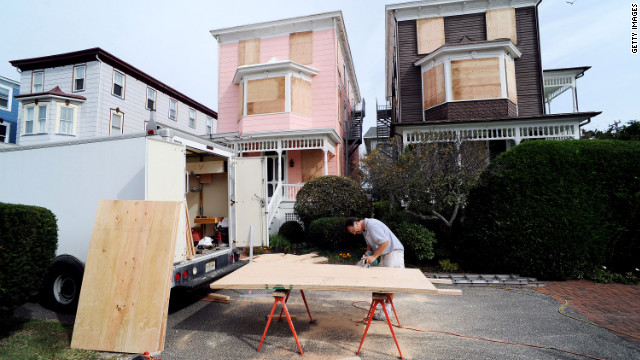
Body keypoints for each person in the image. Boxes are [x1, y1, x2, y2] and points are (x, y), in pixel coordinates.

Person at [345, 217, 404, 321]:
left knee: (391, 282)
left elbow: (385, 242)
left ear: (356, 223)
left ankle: (387, 311)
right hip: (386, 253)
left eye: (354, 230)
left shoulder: (372, 225)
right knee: (384, 281)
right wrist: (368, 251)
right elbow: (370, 243)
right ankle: (385, 306)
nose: (355, 233)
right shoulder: (364, 229)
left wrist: (374, 257)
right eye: (352, 233)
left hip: (394, 252)